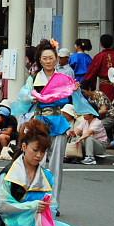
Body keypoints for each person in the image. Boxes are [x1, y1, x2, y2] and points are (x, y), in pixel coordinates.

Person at [27, 40, 75, 210]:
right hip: (40, 123)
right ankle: (37, 200)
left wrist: (73, 90)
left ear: (56, 59)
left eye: (51, 58)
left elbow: (71, 101)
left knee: (56, 165)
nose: (48, 61)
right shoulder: (34, 78)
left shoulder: (64, 78)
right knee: (37, 161)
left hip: (59, 122)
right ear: (39, 60)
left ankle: (53, 203)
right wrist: (30, 98)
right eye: (44, 58)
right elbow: (24, 99)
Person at [82, 34, 114, 102]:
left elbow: (92, 72)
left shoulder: (99, 56)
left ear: (101, 44)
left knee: (105, 105)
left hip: (105, 87)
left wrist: (84, 85)